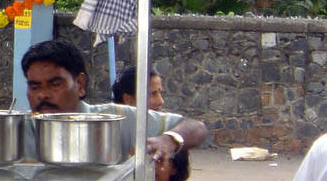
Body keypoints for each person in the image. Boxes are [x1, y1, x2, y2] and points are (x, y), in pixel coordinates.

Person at [21, 38, 206, 163]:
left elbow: (197, 128)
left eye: (54, 84)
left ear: (80, 84)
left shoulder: (115, 119)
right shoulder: (16, 130)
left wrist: (169, 140)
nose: (42, 95)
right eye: (34, 86)